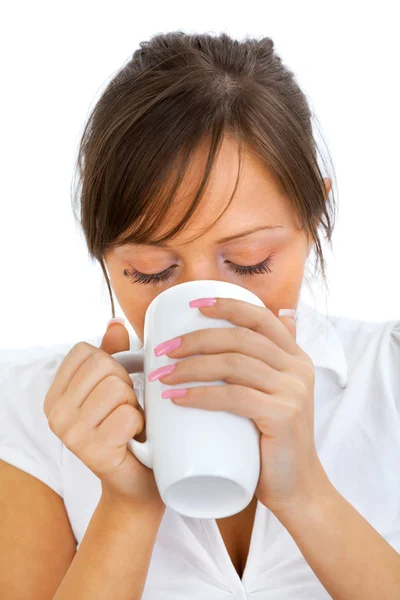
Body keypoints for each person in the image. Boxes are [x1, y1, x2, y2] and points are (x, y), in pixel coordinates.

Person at [0, 30, 399, 600]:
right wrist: (128, 505)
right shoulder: (26, 413)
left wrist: (306, 495)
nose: (204, 301)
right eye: (151, 272)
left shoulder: (388, 379)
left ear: (314, 217)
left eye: (249, 261)